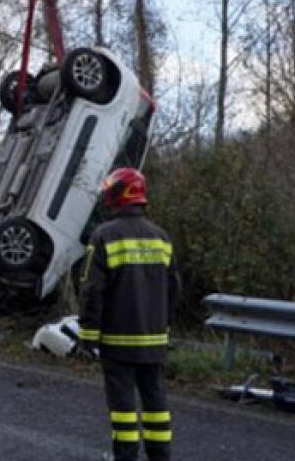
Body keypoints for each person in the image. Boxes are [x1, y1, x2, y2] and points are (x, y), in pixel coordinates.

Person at [78, 167, 180, 461]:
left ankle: (126, 456)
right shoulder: (161, 237)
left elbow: (91, 291)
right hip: (154, 339)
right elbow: (175, 289)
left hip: (118, 340)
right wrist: (163, 326)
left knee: (123, 407)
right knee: (156, 403)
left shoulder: (104, 236)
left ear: (115, 195)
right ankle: (160, 455)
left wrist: (88, 336)